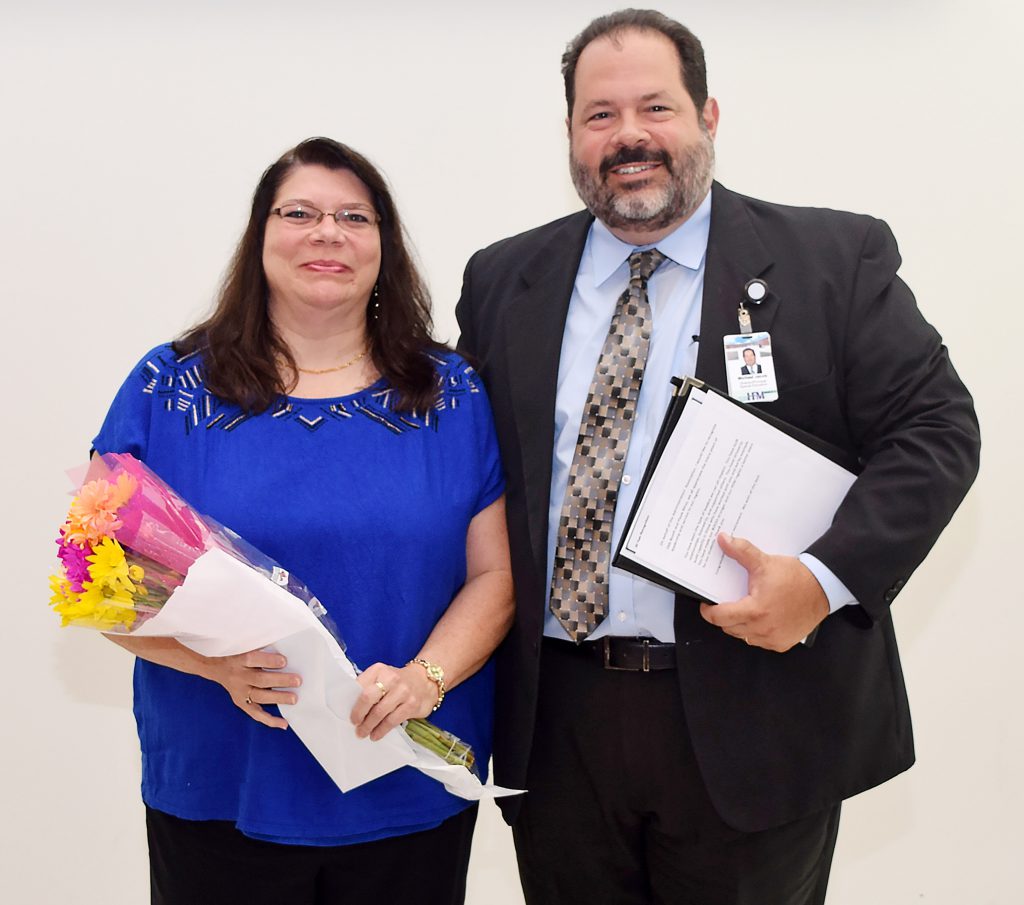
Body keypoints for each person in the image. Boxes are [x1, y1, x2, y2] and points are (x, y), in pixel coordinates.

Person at [456, 10, 980, 905]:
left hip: (756, 715)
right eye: (600, 114)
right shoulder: (504, 279)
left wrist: (822, 579)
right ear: (572, 134)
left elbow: (936, 432)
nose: (629, 137)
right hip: (558, 724)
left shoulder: (831, 261)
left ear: (708, 116)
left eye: (656, 107)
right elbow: (465, 479)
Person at [93, 137, 513, 905]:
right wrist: (211, 664)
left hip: (404, 779)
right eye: (300, 213)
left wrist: (427, 678)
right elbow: (93, 580)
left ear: (385, 248)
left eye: (355, 216)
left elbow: (497, 576)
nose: (328, 233)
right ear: (260, 238)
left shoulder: (450, 392)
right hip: (222, 782)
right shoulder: (169, 387)